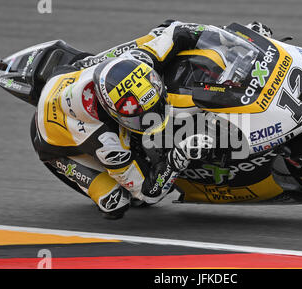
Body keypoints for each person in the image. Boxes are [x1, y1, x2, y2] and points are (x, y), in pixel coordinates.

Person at [31, 20, 272, 219]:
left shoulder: (140, 60)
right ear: (115, 114)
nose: (157, 115)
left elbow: (178, 30)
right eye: (145, 115)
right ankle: (70, 167)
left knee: (159, 32)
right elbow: (147, 193)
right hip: (55, 143)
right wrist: (178, 157)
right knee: (116, 202)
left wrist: (232, 40)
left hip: (75, 73)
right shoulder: (106, 143)